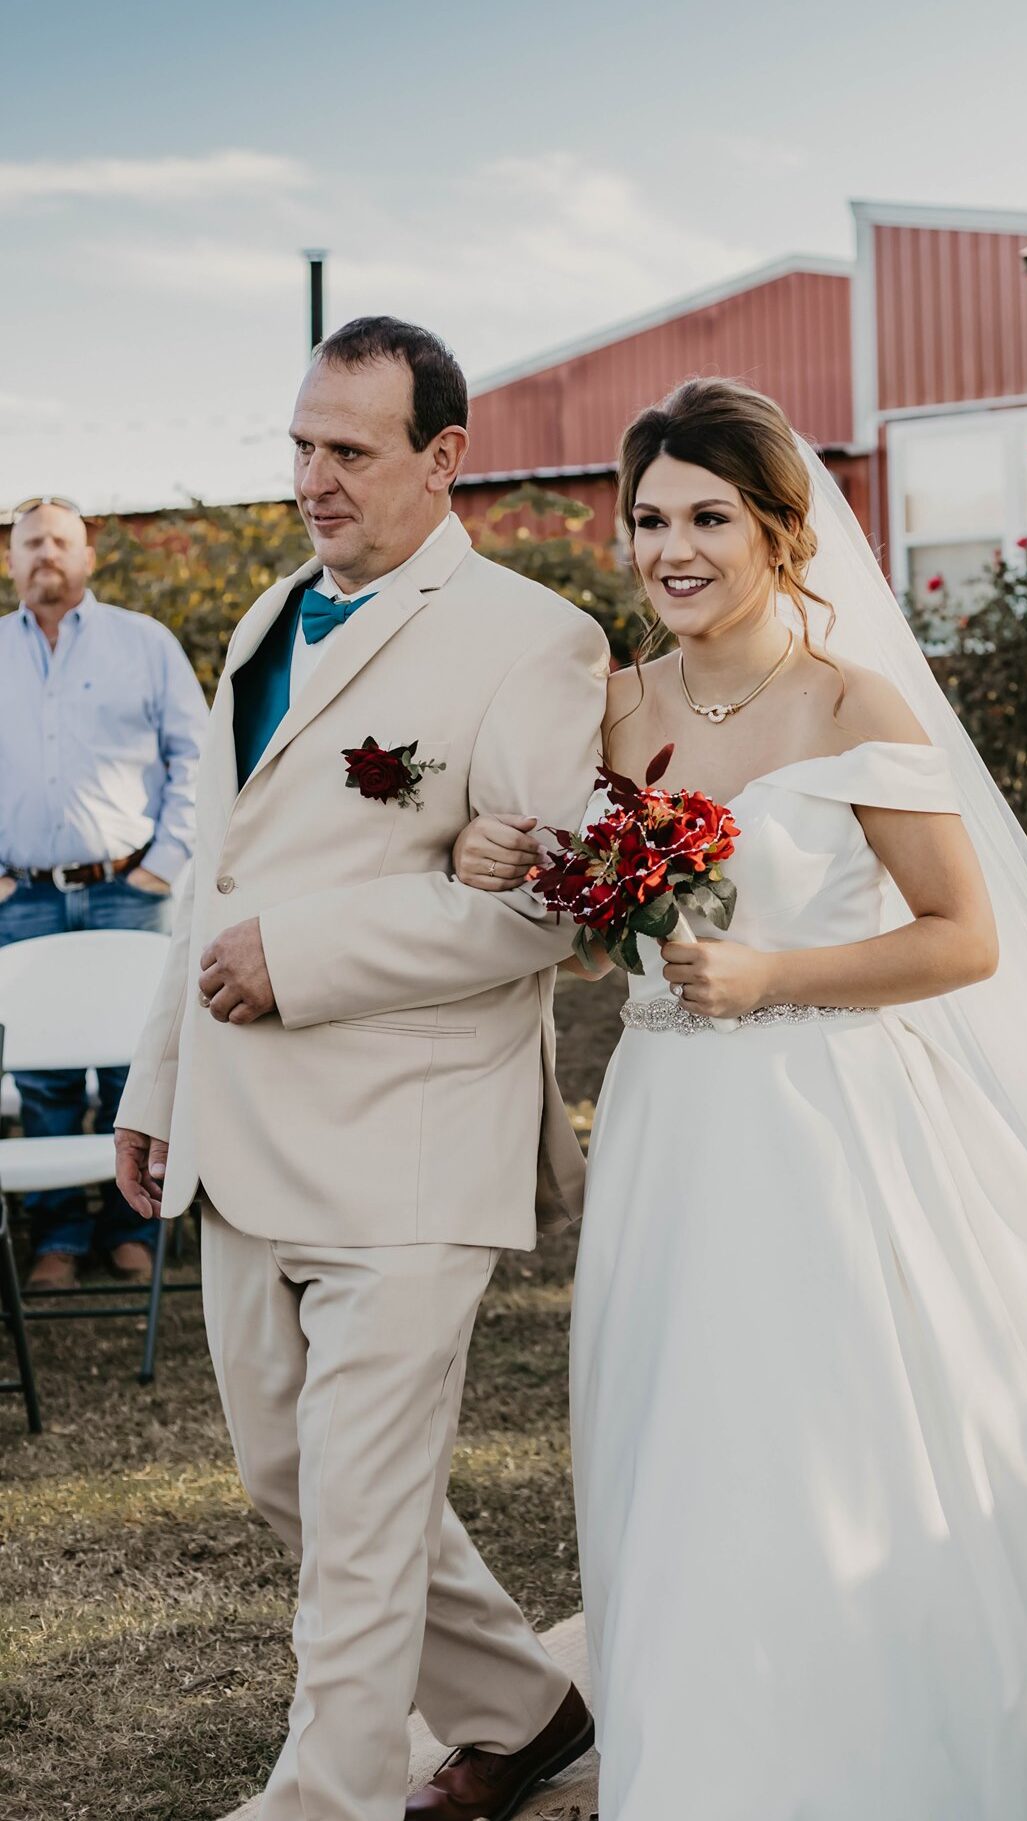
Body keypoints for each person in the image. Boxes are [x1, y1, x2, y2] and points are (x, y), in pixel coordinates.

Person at [453, 377, 1027, 1820]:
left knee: (841, 1435)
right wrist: (510, 868)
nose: (670, 548)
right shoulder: (609, 711)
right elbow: (600, 927)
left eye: (708, 516)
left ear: (780, 530)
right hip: (666, 1137)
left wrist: (778, 978)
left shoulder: (849, 702)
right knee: (685, 1445)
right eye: (646, 520)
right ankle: (719, 1748)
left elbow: (963, 935)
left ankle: (897, 1729)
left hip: (837, 1126)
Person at [113, 318, 608, 1821]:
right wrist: (156, 1082)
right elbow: (215, 881)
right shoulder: (268, 614)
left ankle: (323, 1799)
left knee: (358, 1518)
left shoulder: (534, 637)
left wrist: (306, 956)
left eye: (350, 451)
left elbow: (540, 904)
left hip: (408, 1144)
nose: (313, 480)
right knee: (292, 1480)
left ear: (442, 457)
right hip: (242, 1135)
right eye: (301, 446)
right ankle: (527, 1710)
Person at [0, 496, 207, 1289]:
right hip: (22, 900)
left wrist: (168, 859)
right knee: (43, 1076)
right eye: (30, 544)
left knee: (137, 1064)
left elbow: (196, 755)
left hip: (131, 889)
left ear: (88, 557)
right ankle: (56, 1235)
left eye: (60, 541)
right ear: (11, 561)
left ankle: (132, 1231)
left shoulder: (143, 645)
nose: (45, 554)